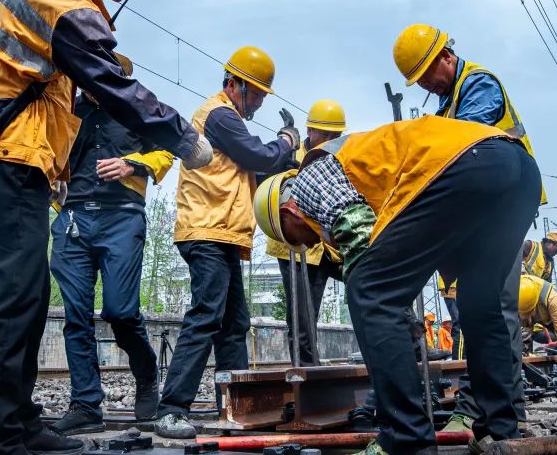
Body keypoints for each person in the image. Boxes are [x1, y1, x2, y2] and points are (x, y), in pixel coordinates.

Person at [0, 0, 213, 455]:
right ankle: (3, 437)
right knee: (10, 299)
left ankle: (18, 424)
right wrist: (182, 137)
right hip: (7, 161)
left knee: (24, 297)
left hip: (19, 164)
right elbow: (114, 86)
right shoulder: (65, 0)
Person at [255, 115, 542, 455]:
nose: (308, 241)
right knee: (482, 306)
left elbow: (361, 243)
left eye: (295, 237)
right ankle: (499, 431)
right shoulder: (358, 170)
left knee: (368, 289)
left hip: (469, 164)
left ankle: (405, 439)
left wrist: (394, 313)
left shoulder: (308, 178)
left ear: (286, 212)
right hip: (519, 170)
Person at [393, 23, 544, 444]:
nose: (426, 83)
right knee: (483, 307)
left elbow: (464, 140)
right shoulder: (448, 102)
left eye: (427, 74)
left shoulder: (478, 83)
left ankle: (507, 406)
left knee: (497, 307)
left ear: (446, 56)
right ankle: (497, 405)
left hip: (505, 206)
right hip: (483, 212)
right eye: (418, 80)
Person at [153, 47, 298, 439]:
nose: (260, 104)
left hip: (223, 235)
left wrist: (290, 154)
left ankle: (234, 407)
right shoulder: (219, 114)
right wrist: (286, 141)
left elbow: (258, 160)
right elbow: (257, 154)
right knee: (206, 316)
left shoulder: (228, 117)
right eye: (259, 95)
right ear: (236, 85)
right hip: (206, 231)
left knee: (234, 324)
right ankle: (171, 410)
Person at [48, 53, 173, 434]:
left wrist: (132, 165)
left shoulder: (138, 110)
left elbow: (167, 151)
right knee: (76, 317)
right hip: (72, 219)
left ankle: (146, 373)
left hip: (121, 217)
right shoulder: (67, 110)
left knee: (120, 311)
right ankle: (86, 404)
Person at [265, 100, 346, 366]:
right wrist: (283, 148)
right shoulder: (291, 156)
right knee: (301, 315)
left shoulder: (336, 157)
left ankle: (412, 343)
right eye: (327, 134)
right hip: (294, 244)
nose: (332, 140)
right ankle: (308, 370)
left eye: (336, 135)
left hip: (326, 245)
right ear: (311, 130)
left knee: (369, 276)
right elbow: (265, 182)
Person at [516, 275, 557, 391]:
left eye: (529, 312)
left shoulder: (551, 298)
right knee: (519, 332)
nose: (528, 317)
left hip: (548, 315)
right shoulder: (512, 292)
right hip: (521, 312)